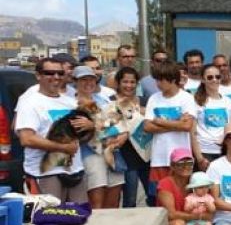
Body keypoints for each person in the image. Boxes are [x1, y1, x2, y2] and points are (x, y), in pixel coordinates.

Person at [16, 57, 87, 202]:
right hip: (45, 174)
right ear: (38, 75)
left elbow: (82, 136)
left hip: (74, 171)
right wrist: (63, 148)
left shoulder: (70, 102)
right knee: (50, 219)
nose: (56, 77)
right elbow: (26, 138)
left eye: (60, 73)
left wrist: (89, 126)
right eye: (49, 73)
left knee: (80, 219)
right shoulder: (30, 102)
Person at [144, 60, 198, 199]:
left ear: (173, 79)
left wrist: (160, 121)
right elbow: (147, 127)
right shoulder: (153, 99)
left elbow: (187, 126)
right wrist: (176, 123)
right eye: (156, 80)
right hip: (159, 158)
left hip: (182, 159)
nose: (158, 84)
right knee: (159, 199)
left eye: (161, 80)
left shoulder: (186, 98)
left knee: (182, 198)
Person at [74, 65, 124, 208]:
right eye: (83, 79)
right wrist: (103, 125)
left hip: (113, 151)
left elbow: (119, 122)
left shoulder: (105, 99)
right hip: (90, 154)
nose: (88, 83)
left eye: (91, 79)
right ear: (75, 81)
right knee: (97, 201)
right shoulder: (70, 103)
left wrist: (122, 134)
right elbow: (79, 130)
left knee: (114, 200)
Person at [110, 66, 151, 208]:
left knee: (153, 196)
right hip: (125, 157)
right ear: (118, 83)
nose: (129, 85)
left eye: (132, 82)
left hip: (147, 155)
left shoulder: (145, 101)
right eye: (125, 82)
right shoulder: (111, 101)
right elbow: (107, 127)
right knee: (130, 199)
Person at [192, 64, 231, 171]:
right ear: (203, 80)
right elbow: (192, 133)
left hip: (224, 152)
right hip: (204, 152)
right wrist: (199, 158)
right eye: (210, 77)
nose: (214, 80)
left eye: (217, 77)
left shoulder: (229, 102)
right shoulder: (196, 101)